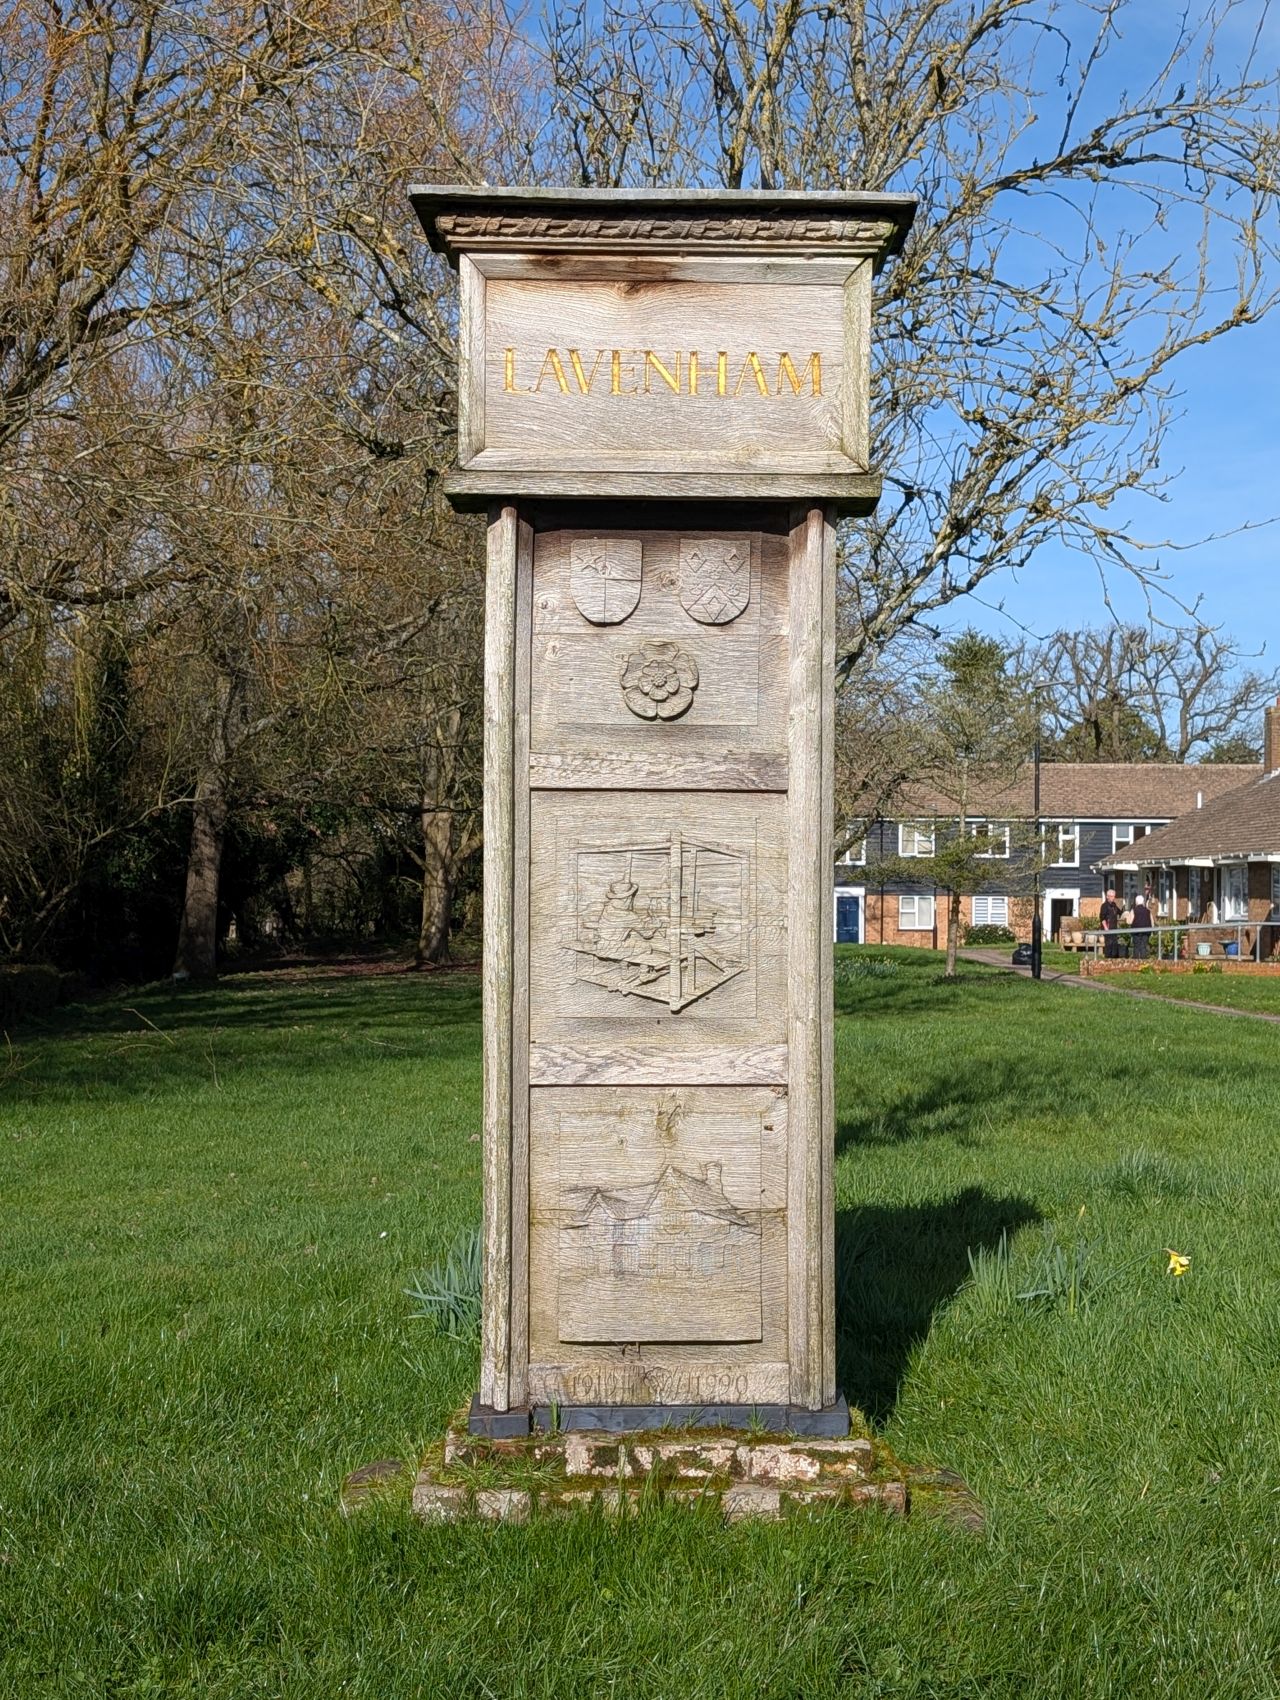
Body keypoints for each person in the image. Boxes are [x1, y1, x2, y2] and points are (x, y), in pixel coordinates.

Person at [1100, 887, 1123, 959]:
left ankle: (1114, 959)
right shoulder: (1104, 906)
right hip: (1108, 928)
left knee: (1114, 944)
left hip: (1114, 927)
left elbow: (1119, 912)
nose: (1113, 898)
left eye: (1114, 896)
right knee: (1109, 944)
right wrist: (1106, 928)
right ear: (1108, 896)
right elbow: (1102, 918)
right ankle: (1108, 959)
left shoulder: (1114, 905)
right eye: (1112, 896)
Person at [1131, 894, 1152, 960]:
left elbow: (1129, 921)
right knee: (1143, 946)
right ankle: (1144, 961)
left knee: (1136, 946)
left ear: (1136, 902)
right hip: (1146, 932)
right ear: (1143, 902)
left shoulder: (1134, 910)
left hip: (1136, 931)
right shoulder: (1148, 911)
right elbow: (1151, 921)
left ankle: (1136, 961)